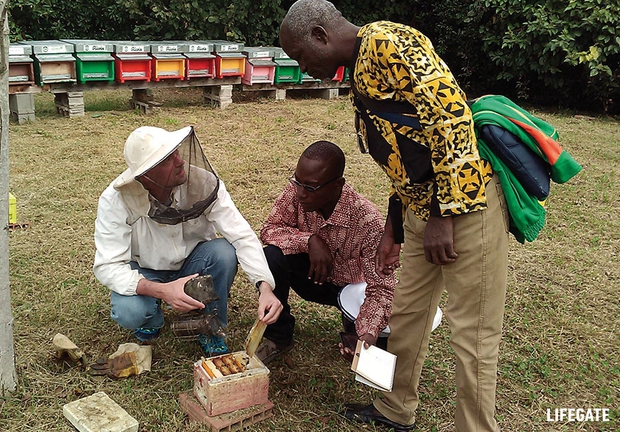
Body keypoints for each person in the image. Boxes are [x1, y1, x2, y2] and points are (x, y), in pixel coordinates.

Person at [279, 2, 510, 432]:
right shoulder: (359, 70)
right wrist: (394, 228)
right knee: (404, 318)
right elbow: (404, 156)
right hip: (420, 213)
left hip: (465, 211)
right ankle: (393, 408)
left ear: (319, 34)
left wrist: (443, 215)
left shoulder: (389, 43)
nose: (302, 66)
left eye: (299, 55)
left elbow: (453, 117)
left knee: (473, 336)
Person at [93, 125, 283, 356]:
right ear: (145, 175)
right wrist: (163, 291)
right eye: (167, 160)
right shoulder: (115, 201)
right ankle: (151, 320)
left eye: (176, 152)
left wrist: (265, 287)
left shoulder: (202, 182)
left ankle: (211, 327)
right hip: (145, 271)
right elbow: (108, 266)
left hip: (194, 264)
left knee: (223, 253)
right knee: (129, 311)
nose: (180, 161)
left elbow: (241, 234)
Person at [257, 140, 396, 364]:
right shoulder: (297, 191)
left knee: (371, 347)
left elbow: (382, 288)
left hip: (350, 292)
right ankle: (278, 335)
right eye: (297, 181)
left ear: (337, 185)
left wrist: (367, 332)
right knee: (272, 256)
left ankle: (357, 330)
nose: (301, 193)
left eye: (310, 187)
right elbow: (269, 230)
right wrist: (309, 241)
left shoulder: (367, 221)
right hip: (310, 278)